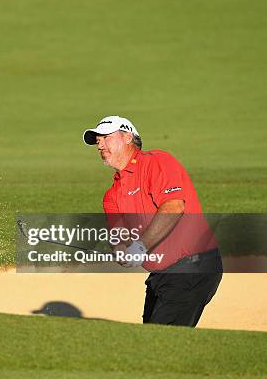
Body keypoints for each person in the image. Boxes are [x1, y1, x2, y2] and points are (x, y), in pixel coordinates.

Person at [82, 115, 222, 327]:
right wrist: (121, 251)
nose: (99, 143)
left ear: (128, 137)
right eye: (97, 140)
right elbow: (121, 239)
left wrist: (140, 246)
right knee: (151, 342)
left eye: (104, 136)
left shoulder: (156, 161)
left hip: (193, 268)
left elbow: (174, 206)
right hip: (162, 276)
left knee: (161, 343)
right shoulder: (111, 196)